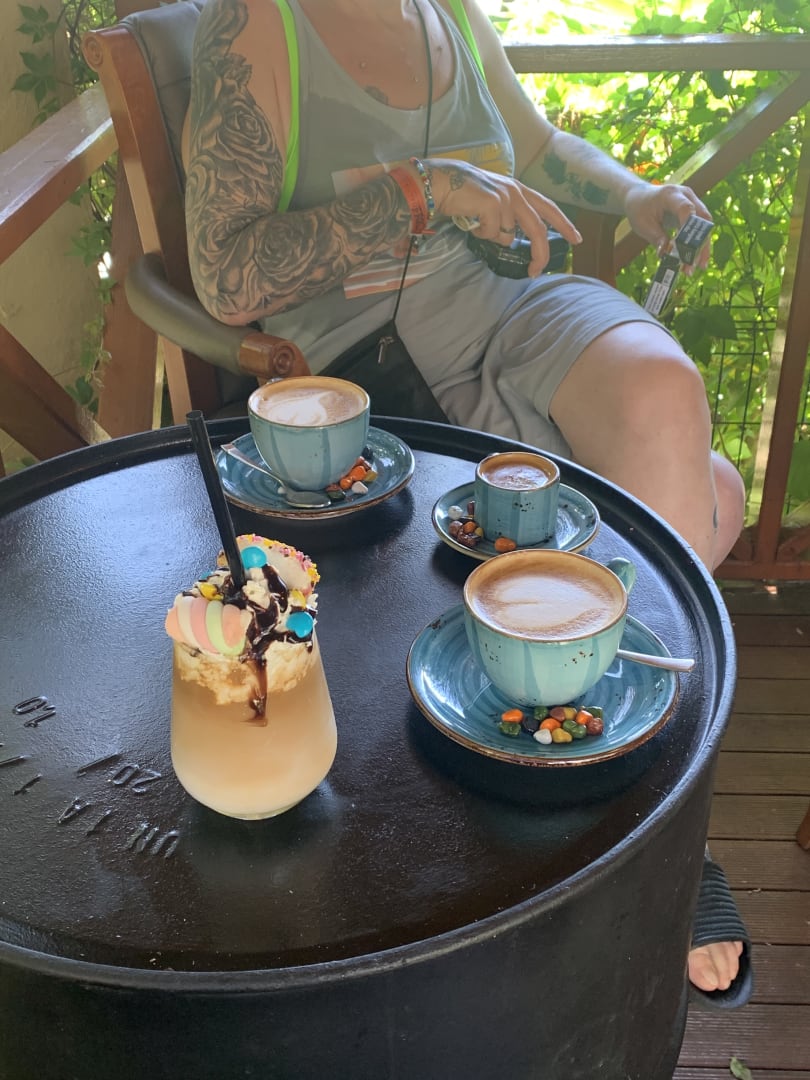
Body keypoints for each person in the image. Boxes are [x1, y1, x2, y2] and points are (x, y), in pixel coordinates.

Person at [183, 0, 750, 1002]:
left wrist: (635, 195)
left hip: (519, 305)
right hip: (379, 362)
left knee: (664, 393)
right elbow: (227, 276)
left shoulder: (446, 11)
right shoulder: (257, 25)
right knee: (709, 499)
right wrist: (421, 190)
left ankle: (645, 803)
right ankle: (626, 806)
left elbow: (541, 146)